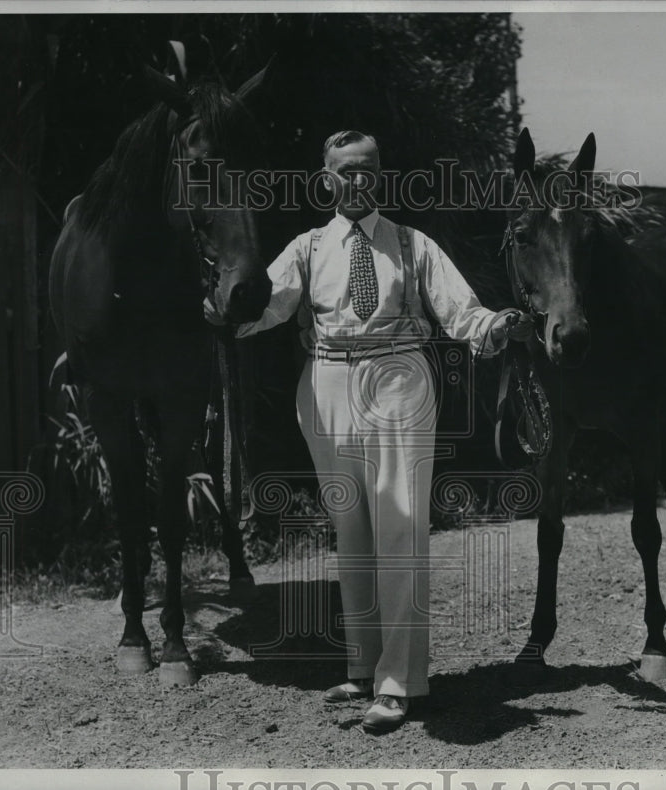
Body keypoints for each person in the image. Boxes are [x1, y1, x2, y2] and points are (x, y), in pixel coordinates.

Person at [210, 131, 532, 733]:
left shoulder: (412, 244)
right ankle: (362, 668)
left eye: (367, 171)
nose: (356, 181)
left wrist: (499, 324)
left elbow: (462, 312)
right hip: (326, 384)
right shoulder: (307, 247)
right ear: (325, 176)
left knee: (401, 525)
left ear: (379, 175)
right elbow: (265, 307)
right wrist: (218, 311)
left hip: (399, 380)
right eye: (344, 171)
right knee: (350, 530)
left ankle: (400, 683)